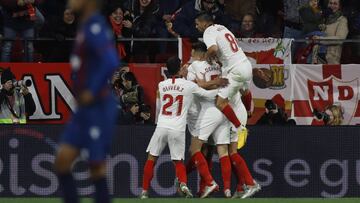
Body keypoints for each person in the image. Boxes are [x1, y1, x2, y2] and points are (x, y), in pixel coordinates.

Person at [54, 0, 119, 203]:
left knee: (96, 167)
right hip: (83, 110)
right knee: (62, 161)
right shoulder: (84, 26)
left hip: (98, 107)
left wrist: (91, 90)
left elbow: (111, 60)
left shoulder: (95, 27)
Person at [140, 56, 217, 199]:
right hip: (177, 128)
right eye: (182, 66)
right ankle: (183, 184)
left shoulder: (162, 85)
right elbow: (208, 96)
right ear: (180, 68)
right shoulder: (189, 85)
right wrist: (222, 89)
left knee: (151, 158)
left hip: (162, 126)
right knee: (178, 162)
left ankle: (144, 191)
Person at [194, 13, 252, 146]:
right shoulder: (222, 28)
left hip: (235, 70)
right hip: (245, 64)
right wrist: (220, 61)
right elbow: (226, 49)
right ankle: (249, 110)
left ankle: (240, 128)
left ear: (204, 23)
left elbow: (213, 49)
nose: (196, 27)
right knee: (244, 91)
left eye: (197, 24)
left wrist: (207, 56)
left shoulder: (208, 32)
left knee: (220, 102)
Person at [314, 0, 349, 64]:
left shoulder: (342, 20)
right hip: (316, 58)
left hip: (330, 59)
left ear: (339, 7)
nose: (332, 5)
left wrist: (320, 39)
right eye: (330, 3)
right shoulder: (324, 18)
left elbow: (340, 39)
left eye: (335, 4)